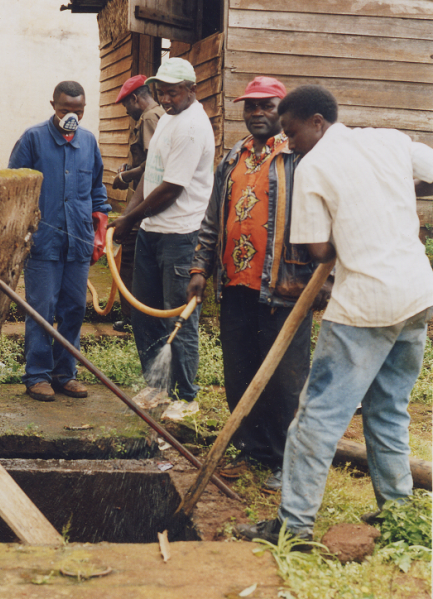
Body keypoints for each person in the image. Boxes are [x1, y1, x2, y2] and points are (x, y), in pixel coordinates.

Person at [237, 84, 433, 544]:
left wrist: (354, 220)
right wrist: (391, 197)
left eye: (292, 131)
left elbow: (319, 247)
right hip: (417, 295)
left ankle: (294, 526)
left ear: (317, 123)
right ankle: (398, 517)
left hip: (365, 302)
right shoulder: (388, 140)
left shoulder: (314, 167)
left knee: (317, 417)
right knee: (388, 410)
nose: (288, 142)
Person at [187, 77, 321, 492]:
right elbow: (213, 219)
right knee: (240, 371)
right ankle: (252, 450)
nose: (257, 114)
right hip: (236, 286)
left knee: (284, 378)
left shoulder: (300, 158)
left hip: (285, 288)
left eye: (266, 107)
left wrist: (324, 282)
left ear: (282, 112)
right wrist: (199, 269)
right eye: (251, 107)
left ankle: (287, 460)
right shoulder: (233, 156)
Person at [112, 57, 215, 402]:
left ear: (192, 90)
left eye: (173, 93)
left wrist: (131, 219)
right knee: (145, 313)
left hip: (181, 236)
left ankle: (186, 397)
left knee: (178, 317)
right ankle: (157, 387)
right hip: (152, 232)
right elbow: (149, 174)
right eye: (161, 93)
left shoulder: (191, 127)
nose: (167, 100)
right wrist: (131, 219)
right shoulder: (168, 120)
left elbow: (170, 189)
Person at [8, 81, 110, 402]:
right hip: (42, 243)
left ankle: (65, 374)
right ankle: (37, 375)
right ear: (53, 105)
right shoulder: (33, 139)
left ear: (84, 110)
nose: (72, 116)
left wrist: (99, 224)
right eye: (66, 110)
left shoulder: (89, 142)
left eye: (78, 111)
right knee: (41, 309)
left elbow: (96, 189)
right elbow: (15, 186)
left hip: (78, 243)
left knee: (74, 310)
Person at [111, 75, 165, 331]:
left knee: (130, 257)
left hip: (145, 203)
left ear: (135, 98)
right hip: (146, 202)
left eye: (126, 106)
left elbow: (154, 163)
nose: (126, 111)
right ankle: (135, 317)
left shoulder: (149, 118)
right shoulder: (153, 116)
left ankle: (134, 318)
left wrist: (125, 176)